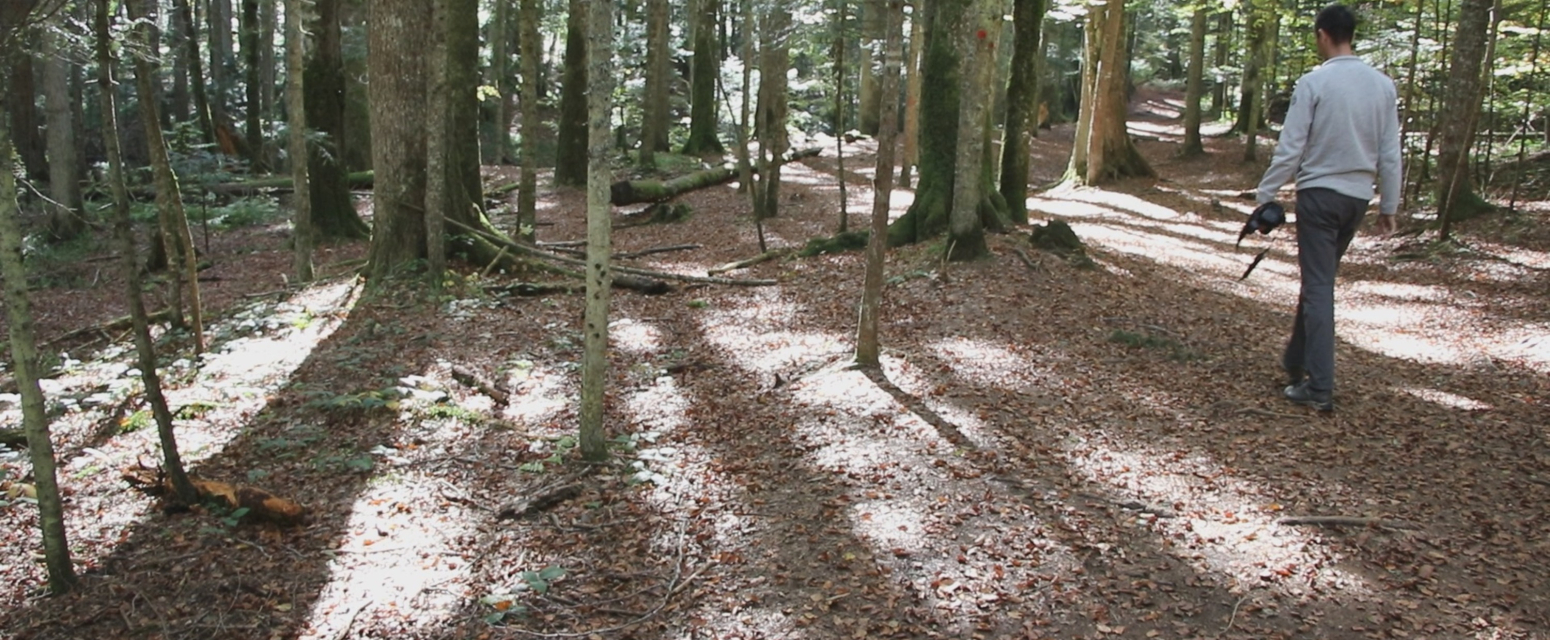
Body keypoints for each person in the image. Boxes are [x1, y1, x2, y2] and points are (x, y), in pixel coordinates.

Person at [1255, 4, 1402, 412]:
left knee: (1319, 286)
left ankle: (1319, 388)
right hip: (1356, 199)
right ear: (1350, 34)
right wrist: (1388, 203)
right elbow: (1390, 152)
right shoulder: (1382, 85)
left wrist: (1265, 192)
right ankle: (1295, 361)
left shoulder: (1315, 82)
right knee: (1318, 281)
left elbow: (1291, 147)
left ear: (1323, 34)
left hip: (1319, 196)